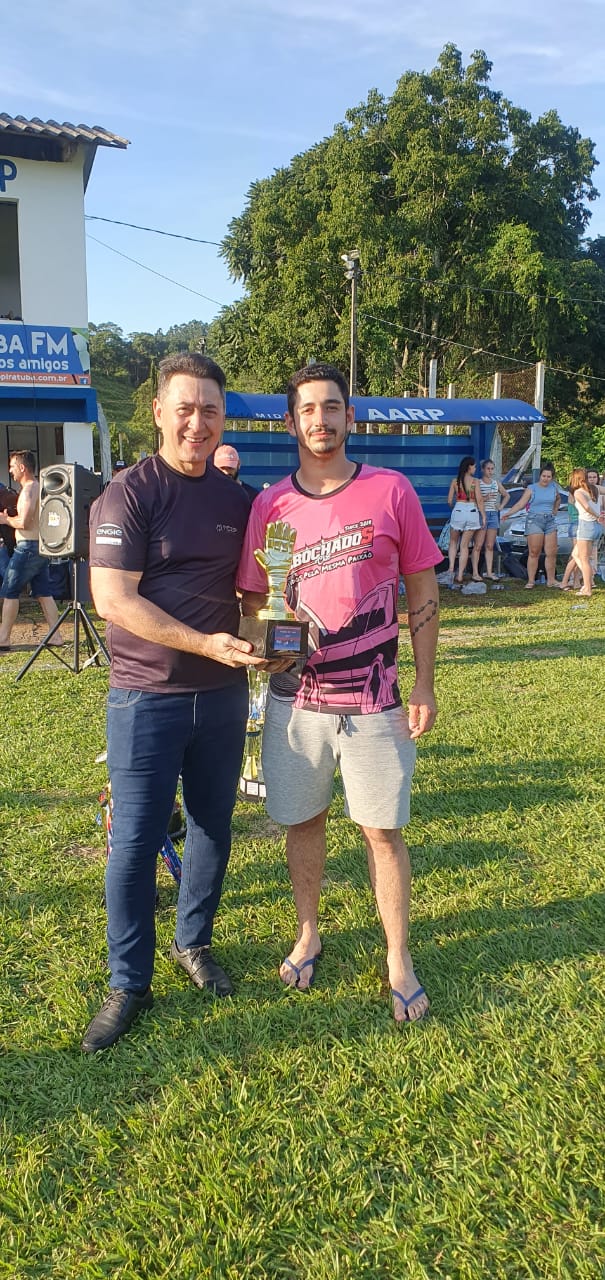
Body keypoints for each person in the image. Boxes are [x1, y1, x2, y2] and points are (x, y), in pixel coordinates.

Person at [82, 352, 287, 1054]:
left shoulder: (238, 501)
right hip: (146, 699)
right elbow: (113, 599)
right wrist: (204, 644)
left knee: (211, 828)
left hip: (223, 697)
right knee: (136, 843)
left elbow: (254, 595)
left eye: (210, 410)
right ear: (159, 413)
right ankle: (127, 983)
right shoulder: (129, 494)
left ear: (223, 418)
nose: (197, 423)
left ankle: (192, 942)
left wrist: (270, 637)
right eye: (185, 408)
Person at [237, 362, 441, 1024]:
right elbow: (256, 596)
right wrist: (265, 640)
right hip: (295, 701)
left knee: (382, 830)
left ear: (349, 417)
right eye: (307, 409)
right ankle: (308, 933)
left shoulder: (391, 491)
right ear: (291, 422)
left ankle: (398, 957)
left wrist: (424, 681)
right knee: (302, 822)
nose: (319, 419)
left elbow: (422, 586)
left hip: (376, 702)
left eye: (331, 407)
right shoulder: (270, 506)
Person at [0, 451, 65, 652]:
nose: (10, 470)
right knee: (43, 592)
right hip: (39, 547)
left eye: (12, 466)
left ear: (22, 467)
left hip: (28, 547)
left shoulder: (29, 490)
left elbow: (24, 522)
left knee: (10, 591)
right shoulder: (38, 487)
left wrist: (5, 519)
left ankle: (3, 639)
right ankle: (56, 636)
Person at [501, 462, 560, 588]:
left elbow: (558, 499)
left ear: (552, 478)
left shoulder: (554, 487)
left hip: (550, 521)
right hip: (534, 520)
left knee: (551, 552)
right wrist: (508, 513)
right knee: (534, 552)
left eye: (548, 477)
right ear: (540, 476)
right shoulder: (532, 488)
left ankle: (551, 580)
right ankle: (531, 580)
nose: (546, 479)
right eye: (544, 476)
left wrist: (555, 510)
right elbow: (520, 504)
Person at [564, 468, 605, 597]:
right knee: (576, 554)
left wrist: (598, 516)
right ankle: (589, 574)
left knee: (584, 558)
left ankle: (587, 587)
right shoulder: (595, 489)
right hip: (597, 527)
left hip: (586, 526)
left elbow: (586, 507)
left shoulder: (578, 492)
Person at [446, 457, 485, 585]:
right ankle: (460, 575)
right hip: (472, 511)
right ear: (469, 467)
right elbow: (479, 500)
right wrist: (483, 516)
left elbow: (449, 500)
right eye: (474, 466)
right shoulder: (475, 482)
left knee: (453, 542)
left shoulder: (455, 481)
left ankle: (451, 568)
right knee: (464, 546)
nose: (475, 469)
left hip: (458, 509)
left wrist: (455, 507)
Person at [473, 459, 509, 579]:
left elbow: (506, 495)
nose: (490, 471)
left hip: (493, 514)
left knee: (489, 545)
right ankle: (475, 573)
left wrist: (501, 506)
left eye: (492, 469)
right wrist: (485, 498)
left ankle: (489, 572)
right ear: (483, 469)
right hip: (481, 513)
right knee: (478, 545)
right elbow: (474, 500)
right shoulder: (478, 482)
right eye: (488, 469)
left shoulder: (496, 483)